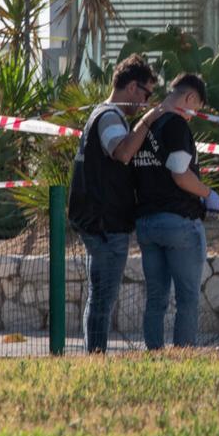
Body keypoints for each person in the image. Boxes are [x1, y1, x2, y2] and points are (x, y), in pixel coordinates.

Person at [68, 54, 164, 353]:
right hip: (105, 225)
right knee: (102, 299)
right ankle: (96, 357)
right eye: (146, 95)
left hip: (100, 222)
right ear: (132, 87)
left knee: (98, 297)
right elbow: (122, 152)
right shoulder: (110, 116)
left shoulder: (103, 114)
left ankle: (93, 355)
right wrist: (148, 121)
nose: (146, 103)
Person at [132, 73, 219, 348]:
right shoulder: (176, 125)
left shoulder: (146, 124)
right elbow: (180, 174)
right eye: (197, 109)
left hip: (146, 222)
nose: (194, 116)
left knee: (155, 299)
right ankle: (184, 356)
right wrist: (208, 194)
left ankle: (154, 356)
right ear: (190, 98)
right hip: (178, 222)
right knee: (187, 298)